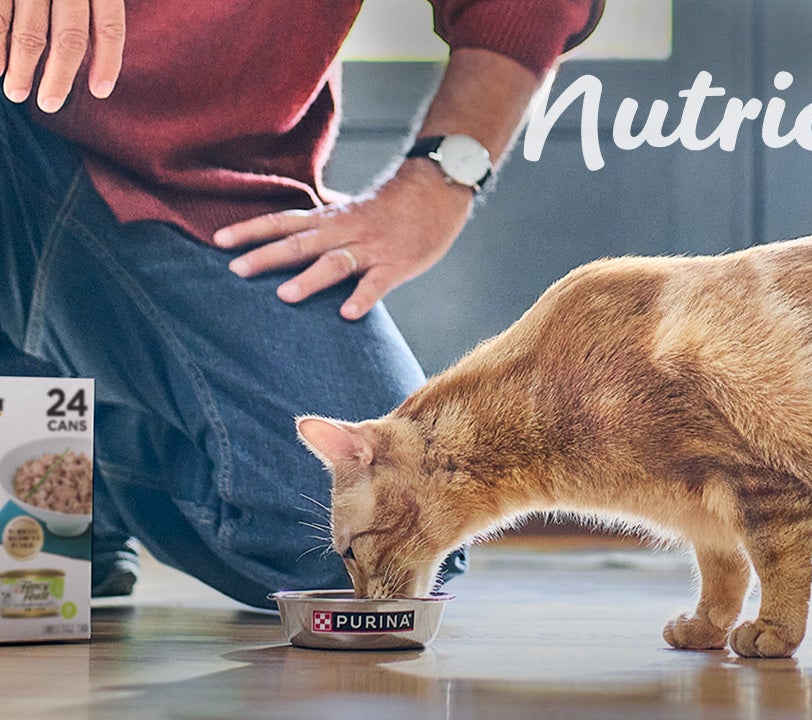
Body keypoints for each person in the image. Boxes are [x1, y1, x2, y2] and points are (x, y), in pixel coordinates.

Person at [0, 1, 604, 607]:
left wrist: (441, 179)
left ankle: (68, 479)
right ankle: (41, 483)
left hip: (198, 168)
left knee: (379, 555)